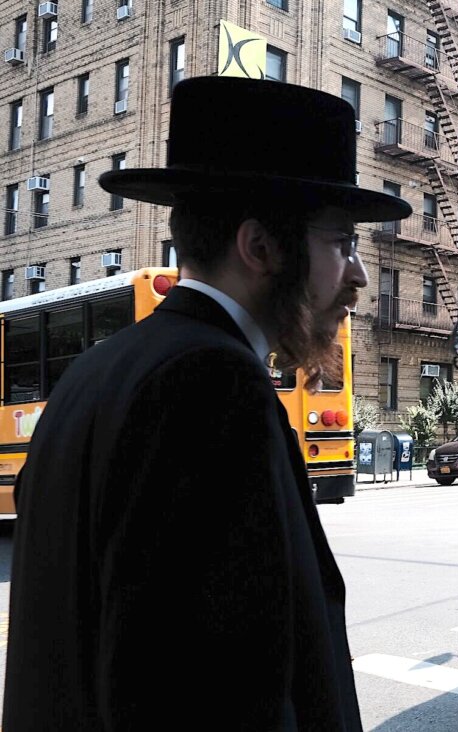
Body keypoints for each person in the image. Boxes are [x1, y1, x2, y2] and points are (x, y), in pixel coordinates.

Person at [3, 77, 412, 730]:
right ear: (260, 248)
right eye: (342, 243)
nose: (359, 275)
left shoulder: (93, 373)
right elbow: (212, 696)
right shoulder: (214, 385)